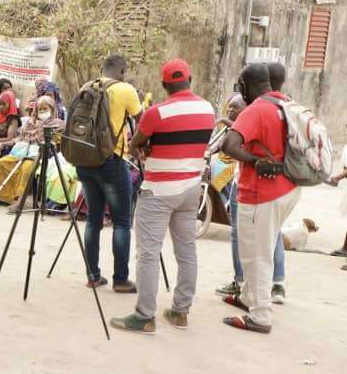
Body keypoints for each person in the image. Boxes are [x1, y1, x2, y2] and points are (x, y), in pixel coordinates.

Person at [109, 59, 214, 334]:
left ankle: (144, 316)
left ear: (164, 85)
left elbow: (135, 145)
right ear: (190, 79)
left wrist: (146, 148)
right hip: (191, 188)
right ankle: (180, 312)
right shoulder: (208, 109)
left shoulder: (156, 113)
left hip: (158, 191)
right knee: (187, 250)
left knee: (148, 254)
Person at [220, 62, 301, 334]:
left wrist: (254, 161)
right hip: (289, 189)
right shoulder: (286, 104)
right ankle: (247, 297)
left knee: (257, 255)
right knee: (258, 247)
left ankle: (261, 315)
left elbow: (228, 144)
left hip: (262, 193)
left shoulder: (256, 109)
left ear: (245, 86)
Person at [76, 55, 141, 293]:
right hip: (112, 161)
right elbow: (142, 123)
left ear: (102, 69)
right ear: (122, 71)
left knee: (93, 219)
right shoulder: (125, 90)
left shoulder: (87, 86)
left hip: (85, 159)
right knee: (122, 222)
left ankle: (93, 276)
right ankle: (121, 280)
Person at [0, 95, 62, 209]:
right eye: (40, 109)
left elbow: (56, 144)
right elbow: (19, 139)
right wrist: (4, 143)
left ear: (52, 109)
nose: (42, 112)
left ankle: (20, 200)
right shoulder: (30, 122)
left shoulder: (58, 124)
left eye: (45, 109)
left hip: (42, 156)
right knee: (3, 163)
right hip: (23, 152)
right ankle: (3, 197)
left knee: (27, 167)